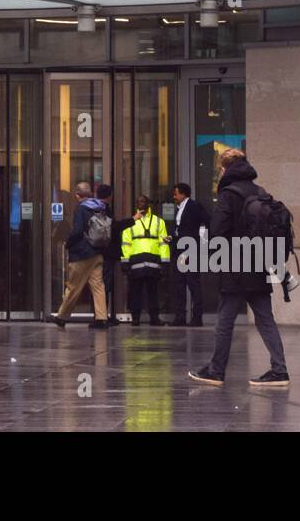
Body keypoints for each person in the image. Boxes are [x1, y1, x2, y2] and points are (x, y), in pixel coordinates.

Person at [188, 150, 290, 387]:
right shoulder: (260, 192)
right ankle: (280, 370)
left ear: (225, 169)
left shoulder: (228, 194)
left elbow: (218, 231)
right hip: (259, 265)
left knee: (224, 320)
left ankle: (216, 370)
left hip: (235, 267)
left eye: (221, 169)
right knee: (266, 320)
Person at [50, 181, 110, 330]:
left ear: (78, 195)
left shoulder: (81, 209)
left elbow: (77, 231)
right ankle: (101, 318)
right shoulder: (101, 207)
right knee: (98, 286)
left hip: (82, 254)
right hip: (98, 252)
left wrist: (68, 243)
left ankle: (62, 317)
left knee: (73, 286)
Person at [121, 194, 171, 325]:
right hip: (136, 263)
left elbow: (164, 243)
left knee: (153, 293)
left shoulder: (159, 222)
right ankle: (135, 318)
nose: (141, 204)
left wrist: (165, 262)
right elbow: (125, 244)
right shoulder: (130, 222)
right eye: (138, 201)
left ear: (148, 204)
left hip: (153, 263)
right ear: (136, 205)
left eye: (143, 201)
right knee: (135, 292)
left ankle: (154, 318)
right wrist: (125, 263)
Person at [169, 182, 208, 327]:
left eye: (176, 193)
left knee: (193, 284)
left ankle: (197, 317)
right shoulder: (178, 209)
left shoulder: (194, 206)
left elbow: (206, 222)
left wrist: (201, 244)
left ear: (183, 194)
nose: (174, 197)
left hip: (191, 249)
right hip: (179, 250)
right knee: (179, 284)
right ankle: (180, 316)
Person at [97, 184, 132, 326]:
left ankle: (104, 315)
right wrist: (132, 220)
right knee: (104, 284)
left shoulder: (99, 207)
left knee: (105, 284)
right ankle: (102, 316)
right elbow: (113, 226)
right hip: (106, 252)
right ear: (110, 195)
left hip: (104, 252)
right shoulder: (103, 208)